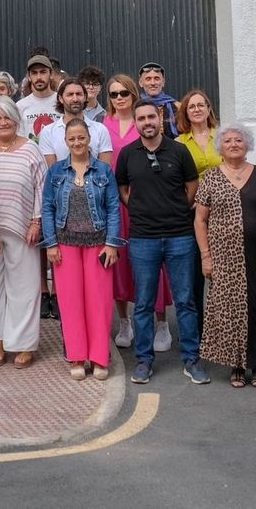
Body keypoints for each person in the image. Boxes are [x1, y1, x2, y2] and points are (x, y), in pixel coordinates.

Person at [116, 100, 206, 386]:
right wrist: (140, 208)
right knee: (142, 304)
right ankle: (144, 361)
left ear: (160, 117)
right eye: (140, 118)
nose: (146, 122)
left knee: (185, 302)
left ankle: (192, 360)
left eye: (151, 116)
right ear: (136, 122)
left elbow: (192, 186)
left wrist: (179, 208)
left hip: (180, 235)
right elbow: (122, 188)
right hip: (143, 238)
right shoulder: (129, 154)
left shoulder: (179, 151)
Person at [194, 125, 256, 388]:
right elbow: (200, 221)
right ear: (220, 147)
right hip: (224, 257)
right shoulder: (210, 178)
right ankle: (237, 365)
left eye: (239, 140)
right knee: (230, 310)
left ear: (248, 145)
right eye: (228, 141)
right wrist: (205, 256)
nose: (234, 144)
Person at [42, 119, 123, 381]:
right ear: (66, 141)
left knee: (98, 302)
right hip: (65, 244)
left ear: (89, 139)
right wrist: (51, 243)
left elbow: (113, 207)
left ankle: (99, 357)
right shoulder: (55, 172)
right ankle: (77, 356)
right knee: (70, 302)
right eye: (72, 139)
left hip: (98, 243)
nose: (77, 143)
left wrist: (112, 243)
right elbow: (47, 209)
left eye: (81, 138)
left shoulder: (103, 170)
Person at [0, 97, 45, 368]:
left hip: (22, 228)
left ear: (17, 120)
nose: (2, 123)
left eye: (7, 118)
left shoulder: (30, 150)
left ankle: (23, 344)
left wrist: (36, 222)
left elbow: (41, 189)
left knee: (23, 288)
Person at [101, 74, 169, 350]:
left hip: (147, 204)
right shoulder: (102, 125)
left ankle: (162, 323)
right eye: (114, 94)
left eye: (124, 93)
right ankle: (125, 322)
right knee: (119, 263)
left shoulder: (147, 121)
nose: (119, 98)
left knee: (155, 264)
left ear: (133, 95)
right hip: (116, 204)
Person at [37, 79, 111, 162]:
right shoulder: (48, 132)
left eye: (79, 94)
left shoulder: (100, 130)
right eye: (70, 95)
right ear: (61, 99)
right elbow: (51, 171)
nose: (75, 99)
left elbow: (105, 170)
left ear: (85, 98)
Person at [174, 90, 221, 174]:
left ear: (208, 109)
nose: (197, 110)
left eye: (201, 105)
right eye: (191, 107)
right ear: (186, 113)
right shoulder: (179, 143)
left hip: (222, 186)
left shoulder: (222, 137)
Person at [16, 54, 58, 138]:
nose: (39, 77)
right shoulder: (20, 106)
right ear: (29, 77)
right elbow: (19, 138)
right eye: (34, 73)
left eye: (43, 72)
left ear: (51, 74)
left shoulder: (62, 102)